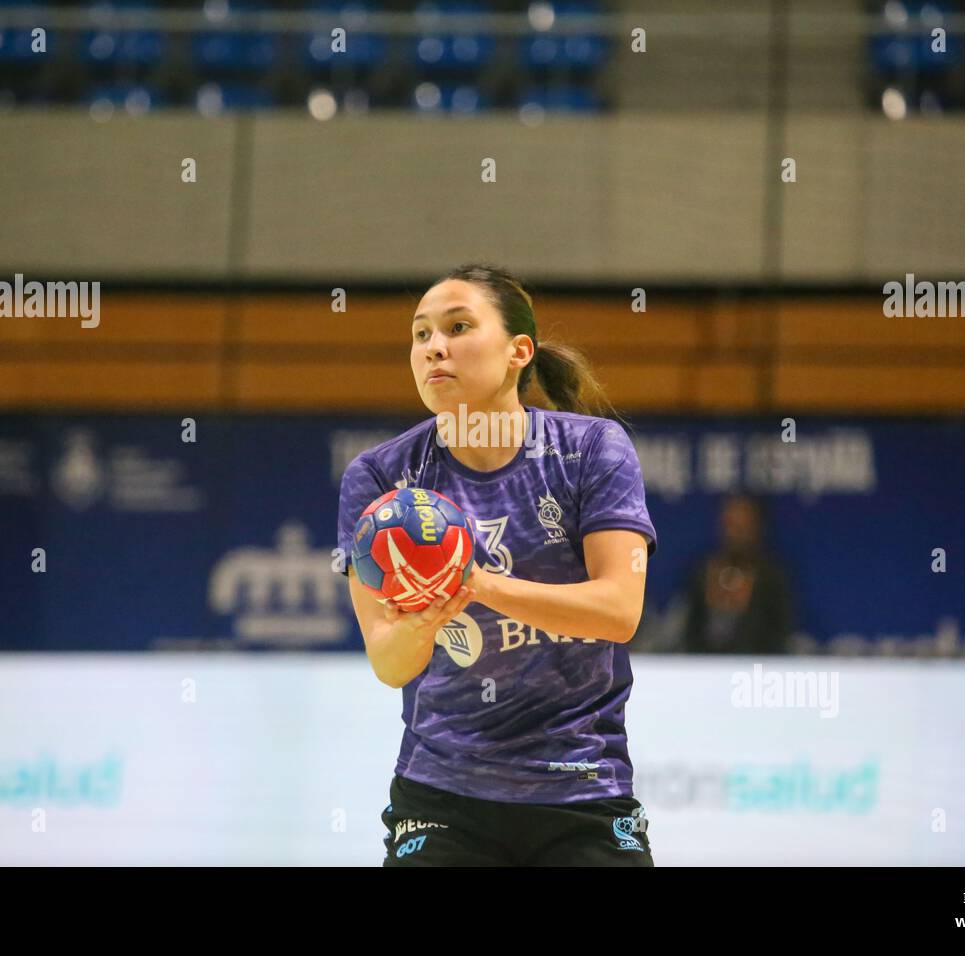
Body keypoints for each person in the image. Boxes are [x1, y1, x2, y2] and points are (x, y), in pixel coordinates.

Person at [337, 263, 657, 866]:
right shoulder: (381, 480)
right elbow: (389, 661)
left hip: (581, 786)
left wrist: (475, 581)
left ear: (519, 351)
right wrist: (427, 608)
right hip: (442, 794)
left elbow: (618, 612)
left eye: (458, 327)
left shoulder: (590, 450)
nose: (435, 347)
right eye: (421, 334)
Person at [681, 493, 794, 655]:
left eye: (744, 526)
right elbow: (689, 630)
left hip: (754, 669)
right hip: (704, 667)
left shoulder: (772, 578)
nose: (736, 534)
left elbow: (780, 634)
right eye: (731, 525)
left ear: (757, 527)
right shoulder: (703, 572)